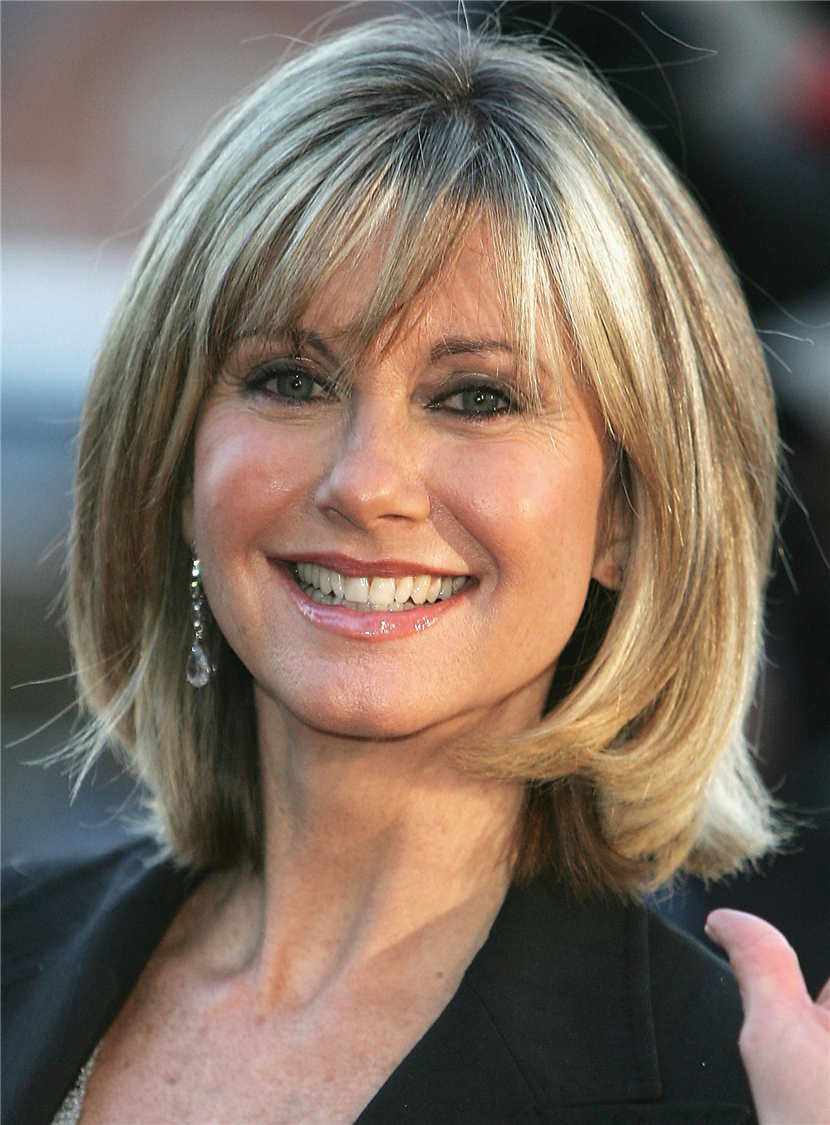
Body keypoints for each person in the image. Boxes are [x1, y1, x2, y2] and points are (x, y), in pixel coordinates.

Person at [3, 15, 827, 1125]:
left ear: (625, 515)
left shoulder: (734, 1093)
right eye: (291, 380)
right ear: (176, 463)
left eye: (475, 397)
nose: (365, 483)